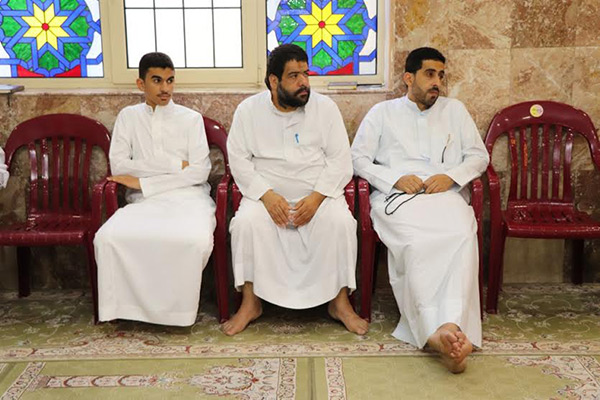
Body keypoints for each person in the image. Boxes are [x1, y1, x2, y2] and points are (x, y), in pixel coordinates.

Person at [351, 47, 489, 373]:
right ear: (408, 78)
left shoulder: (455, 110)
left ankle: (453, 329)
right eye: (429, 74)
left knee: (461, 233)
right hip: (398, 199)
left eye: (441, 75)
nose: (437, 82)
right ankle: (434, 332)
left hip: (445, 196)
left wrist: (450, 176)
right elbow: (357, 158)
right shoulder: (382, 113)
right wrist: (394, 179)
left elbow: (478, 156)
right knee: (417, 243)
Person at [223, 44, 368, 336]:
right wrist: (267, 196)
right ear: (273, 80)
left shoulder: (325, 108)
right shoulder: (248, 111)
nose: (304, 82)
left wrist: (315, 199)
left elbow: (341, 161)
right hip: (266, 194)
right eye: (294, 76)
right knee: (245, 224)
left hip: (318, 193)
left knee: (341, 222)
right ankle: (251, 303)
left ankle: (339, 303)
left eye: (305, 74)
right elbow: (238, 160)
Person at [93, 52, 216, 326]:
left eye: (170, 80)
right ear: (141, 83)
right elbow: (120, 165)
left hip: (189, 198)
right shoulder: (128, 117)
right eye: (157, 80)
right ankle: (125, 309)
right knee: (108, 238)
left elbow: (200, 171)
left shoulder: (191, 119)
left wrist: (145, 181)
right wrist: (175, 164)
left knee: (192, 240)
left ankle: (178, 314)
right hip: (143, 201)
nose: (165, 88)